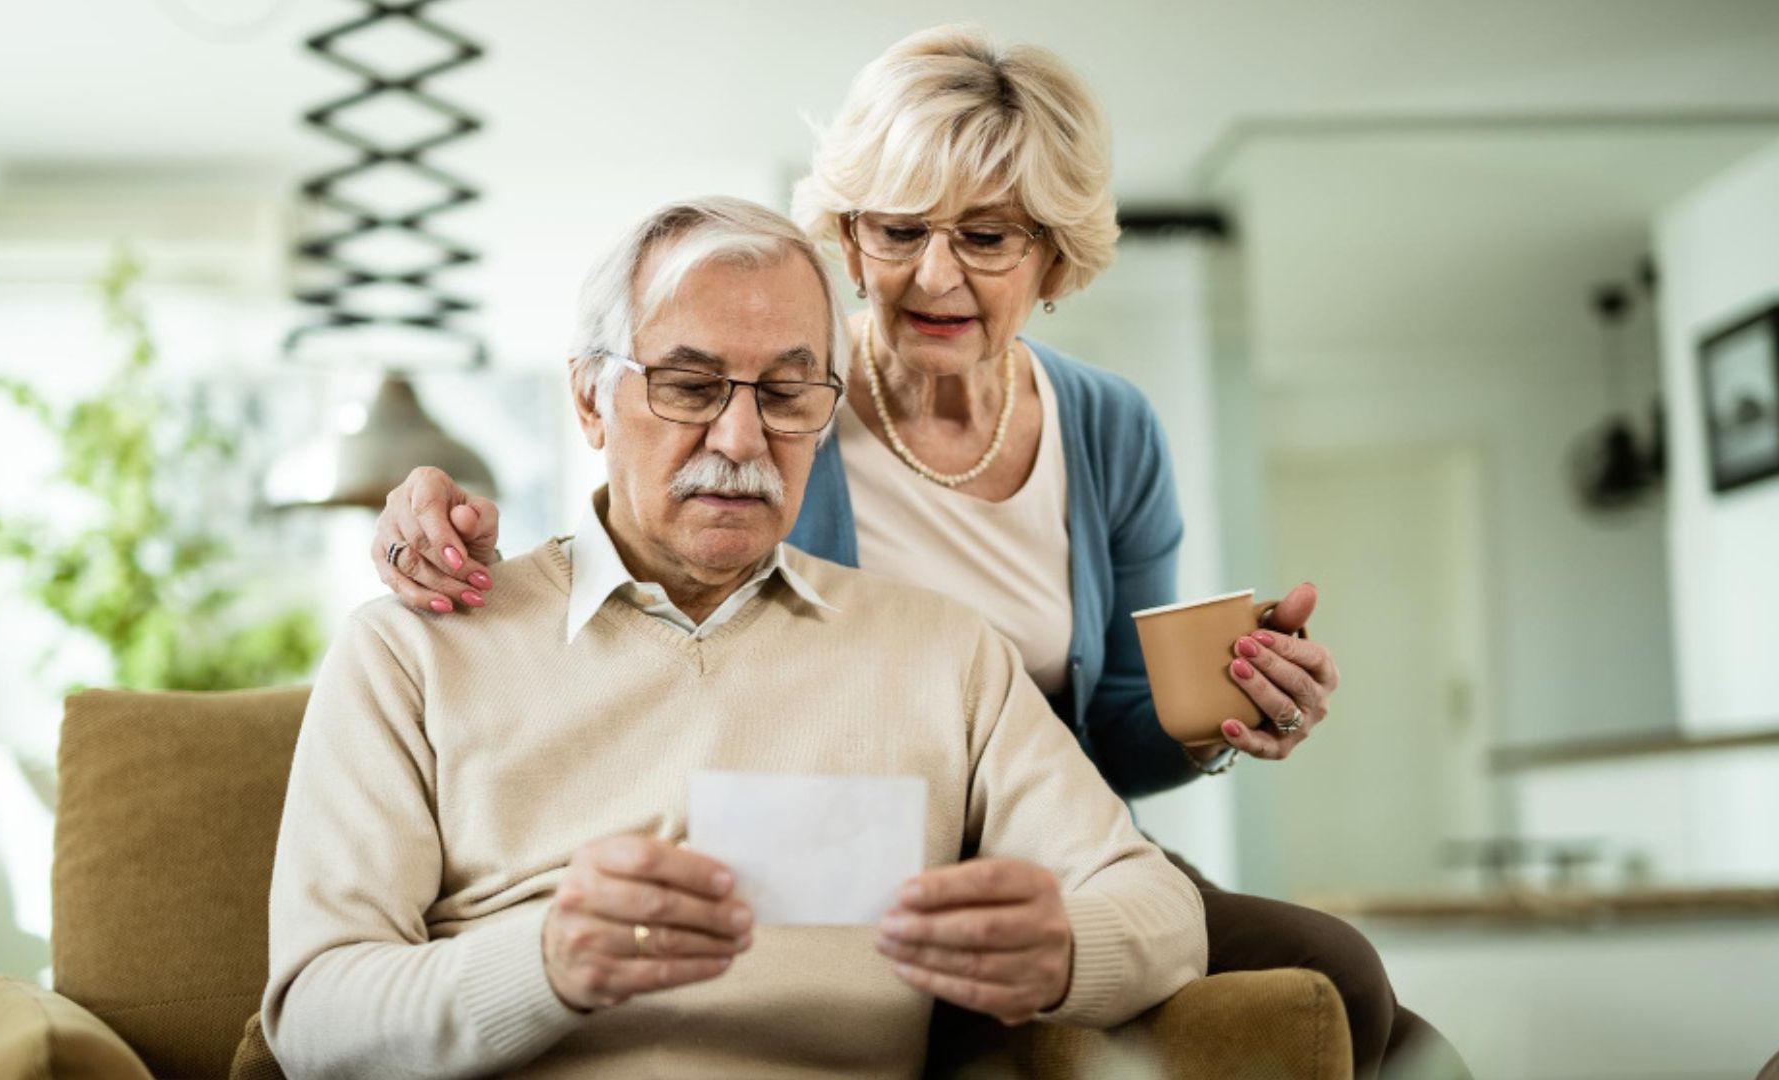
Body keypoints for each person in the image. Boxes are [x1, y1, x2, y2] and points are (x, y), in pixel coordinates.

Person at [362, 25, 1466, 1080]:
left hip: (1033, 846)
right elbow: (629, 547)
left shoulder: (1109, 429)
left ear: (1052, 255)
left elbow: (1118, 737)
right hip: (838, 851)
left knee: (1356, 990)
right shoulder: (782, 404)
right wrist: (436, 517)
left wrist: (1224, 711)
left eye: (985, 237)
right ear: (848, 239)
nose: (936, 277)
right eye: (897, 230)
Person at [263, 197, 1206, 1079]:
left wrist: (1067, 952)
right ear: (590, 400)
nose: (744, 437)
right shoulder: (415, 650)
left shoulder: (944, 655)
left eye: (789, 394)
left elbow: (1162, 912)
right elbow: (314, 1016)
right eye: (689, 385)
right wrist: (545, 963)